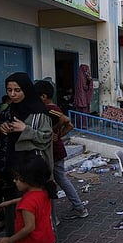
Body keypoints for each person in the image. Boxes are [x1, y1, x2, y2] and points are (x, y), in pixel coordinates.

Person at [0, 156, 83, 243]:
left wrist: (8, 240)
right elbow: (31, 201)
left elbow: (29, 227)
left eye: (17, 178)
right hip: (43, 237)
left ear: (28, 180)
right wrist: (10, 202)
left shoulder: (27, 202)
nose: (14, 181)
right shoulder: (43, 191)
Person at [0, 72, 53, 240]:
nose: (13, 94)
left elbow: (47, 137)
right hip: (12, 166)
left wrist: (25, 130)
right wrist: (3, 127)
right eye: (9, 90)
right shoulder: (11, 109)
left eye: (17, 90)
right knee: (15, 208)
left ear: (26, 89)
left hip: (32, 168)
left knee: (33, 207)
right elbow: (0, 122)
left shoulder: (39, 112)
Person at [34, 80, 89, 220]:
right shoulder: (51, 108)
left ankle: (74, 209)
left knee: (55, 181)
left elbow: (67, 123)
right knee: (59, 179)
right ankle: (77, 207)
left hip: (53, 151)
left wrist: (55, 134)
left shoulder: (50, 109)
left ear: (43, 96)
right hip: (54, 149)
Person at [74, 64, 93, 128]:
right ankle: (84, 125)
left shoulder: (79, 77)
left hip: (78, 98)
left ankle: (79, 125)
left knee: (79, 112)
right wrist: (90, 81)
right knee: (84, 112)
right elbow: (86, 87)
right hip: (84, 98)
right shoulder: (84, 77)